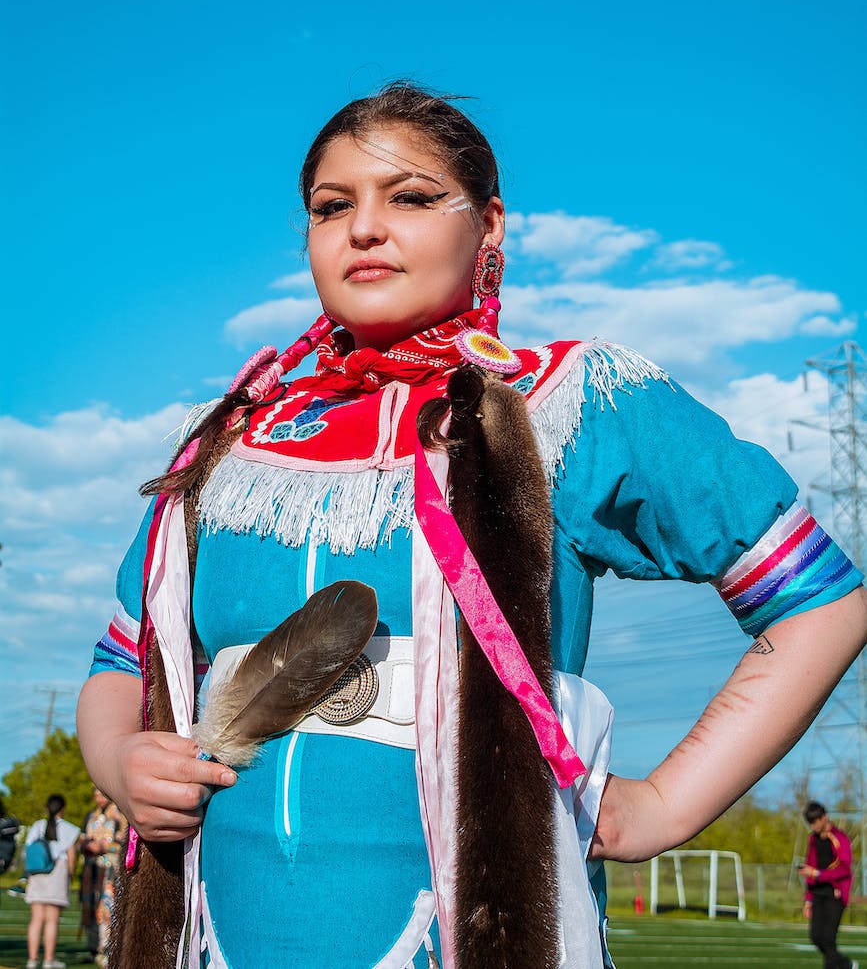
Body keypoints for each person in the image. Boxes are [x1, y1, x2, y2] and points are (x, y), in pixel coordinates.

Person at [77, 83, 867, 969]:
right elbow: (119, 663)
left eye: (410, 197)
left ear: (489, 226)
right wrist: (122, 763)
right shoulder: (223, 443)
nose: (364, 228)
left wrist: (665, 806)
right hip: (219, 936)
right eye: (331, 207)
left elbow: (821, 604)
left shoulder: (572, 404)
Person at [800, 801, 859, 969]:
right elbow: (810, 866)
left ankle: (843, 965)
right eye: (810, 823)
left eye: (815, 821)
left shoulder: (839, 838)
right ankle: (846, 964)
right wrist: (808, 900)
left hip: (836, 894)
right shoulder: (812, 839)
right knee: (816, 936)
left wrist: (819, 874)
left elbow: (845, 869)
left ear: (824, 817)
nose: (813, 826)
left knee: (828, 938)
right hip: (818, 893)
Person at [24, 793, 80, 969]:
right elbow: (71, 855)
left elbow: (28, 848)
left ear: (46, 807)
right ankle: (49, 960)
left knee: (36, 919)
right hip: (57, 870)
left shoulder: (37, 826)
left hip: (37, 873)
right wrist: (71, 875)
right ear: (63, 809)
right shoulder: (70, 829)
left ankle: (32, 960)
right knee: (52, 920)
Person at [79, 787, 127, 965]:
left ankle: (108, 949)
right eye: (96, 794)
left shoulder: (118, 816)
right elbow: (81, 840)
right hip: (91, 870)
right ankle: (94, 948)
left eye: (101, 794)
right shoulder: (91, 817)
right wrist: (84, 846)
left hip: (110, 871)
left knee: (107, 908)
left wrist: (105, 848)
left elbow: (124, 844)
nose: (98, 798)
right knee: (90, 907)